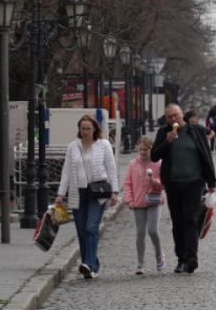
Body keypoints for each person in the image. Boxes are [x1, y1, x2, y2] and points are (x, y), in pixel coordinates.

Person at [151, 104, 216, 274]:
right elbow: (154, 155)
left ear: (182, 115)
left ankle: (191, 257)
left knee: (191, 218)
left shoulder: (195, 130)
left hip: (194, 183)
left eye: (176, 116)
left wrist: (212, 181)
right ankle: (181, 259)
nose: (173, 119)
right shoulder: (163, 133)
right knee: (178, 222)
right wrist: (167, 141)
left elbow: (206, 155)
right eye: (170, 117)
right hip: (172, 183)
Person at [56, 115, 119, 279]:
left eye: (88, 129)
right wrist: (60, 193)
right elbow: (66, 171)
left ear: (95, 130)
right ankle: (90, 265)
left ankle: (88, 263)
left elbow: (111, 168)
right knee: (82, 230)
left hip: (97, 193)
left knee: (91, 227)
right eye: (82, 129)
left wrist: (114, 191)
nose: (85, 132)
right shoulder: (73, 147)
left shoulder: (103, 145)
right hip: (78, 192)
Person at [122, 134, 166, 274]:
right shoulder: (133, 164)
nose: (142, 152)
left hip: (154, 200)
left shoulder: (158, 163)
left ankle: (159, 255)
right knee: (140, 233)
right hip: (138, 202)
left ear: (151, 149)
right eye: (140, 149)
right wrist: (129, 200)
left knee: (153, 230)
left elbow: (163, 184)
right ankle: (140, 263)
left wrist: (155, 182)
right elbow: (128, 183)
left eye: (145, 150)